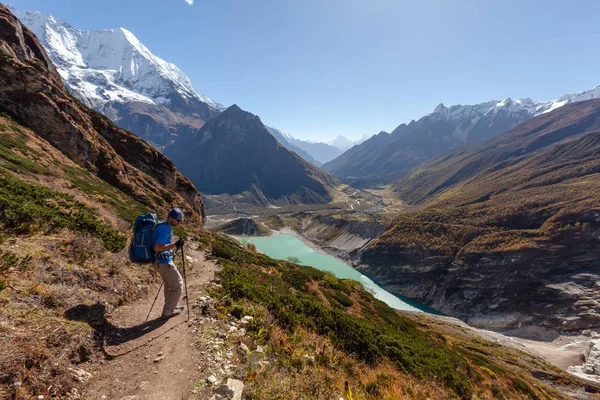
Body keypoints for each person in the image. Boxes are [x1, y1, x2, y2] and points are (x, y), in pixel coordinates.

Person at [152, 207, 185, 319]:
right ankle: (168, 311)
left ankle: (171, 307)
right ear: (171, 218)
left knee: (169, 285)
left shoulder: (165, 226)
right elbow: (157, 247)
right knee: (178, 285)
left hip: (160, 261)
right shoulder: (164, 229)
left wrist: (173, 245)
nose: (179, 223)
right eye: (178, 220)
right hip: (163, 261)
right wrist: (175, 245)